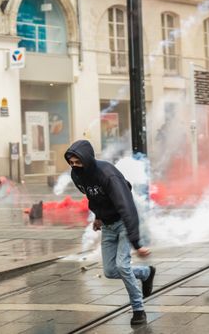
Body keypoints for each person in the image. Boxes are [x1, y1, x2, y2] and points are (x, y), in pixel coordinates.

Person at [64, 139, 155, 326]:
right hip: (107, 225)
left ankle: (138, 310)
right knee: (110, 271)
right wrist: (98, 217)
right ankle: (146, 273)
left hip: (123, 223)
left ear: (87, 159)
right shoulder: (77, 176)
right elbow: (94, 197)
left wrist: (136, 244)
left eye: (78, 162)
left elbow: (127, 208)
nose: (75, 166)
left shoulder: (107, 175)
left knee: (122, 266)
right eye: (71, 163)